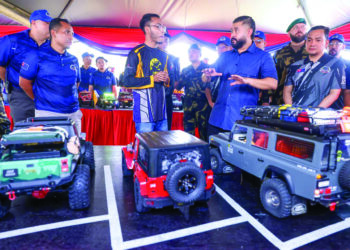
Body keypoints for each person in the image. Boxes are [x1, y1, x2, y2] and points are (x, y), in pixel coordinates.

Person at [202, 16, 277, 136]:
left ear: (249, 32)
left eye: (236, 30)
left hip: (241, 124)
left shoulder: (263, 57)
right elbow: (206, 78)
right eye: (231, 31)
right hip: (216, 120)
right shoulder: (225, 56)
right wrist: (207, 76)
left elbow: (272, 83)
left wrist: (247, 80)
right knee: (213, 154)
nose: (232, 34)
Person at [19, 18, 82, 133]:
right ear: (54, 33)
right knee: (49, 149)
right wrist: (41, 99)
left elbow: (76, 83)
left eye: (72, 33)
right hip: (47, 114)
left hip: (73, 114)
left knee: (75, 149)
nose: (71, 37)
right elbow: (24, 83)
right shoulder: (36, 55)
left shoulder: (73, 59)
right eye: (67, 32)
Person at [123, 13, 173, 133]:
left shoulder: (165, 55)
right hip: (144, 115)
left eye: (163, 27)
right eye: (158, 27)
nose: (162, 31)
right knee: (145, 151)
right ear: (147, 29)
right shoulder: (136, 53)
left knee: (161, 150)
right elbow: (127, 81)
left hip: (162, 114)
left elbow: (168, 83)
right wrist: (152, 79)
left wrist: (166, 79)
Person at [0, 9, 52, 122]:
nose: (50, 26)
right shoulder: (12, 41)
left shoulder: (52, 46)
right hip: (20, 95)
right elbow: (1, 66)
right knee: (23, 133)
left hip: (45, 96)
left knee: (47, 132)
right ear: (34, 23)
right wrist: (10, 82)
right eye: (46, 23)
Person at [283, 26, 345, 108]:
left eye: (318, 40)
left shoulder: (336, 63)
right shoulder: (295, 65)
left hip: (321, 117)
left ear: (326, 43)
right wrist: (292, 110)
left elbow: (334, 93)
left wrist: (314, 113)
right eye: (309, 40)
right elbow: (287, 91)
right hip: (296, 115)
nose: (312, 43)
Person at [177, 44, 211, 141]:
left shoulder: (207, 68)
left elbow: (212, 87)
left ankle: (205, 155)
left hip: (203, 106)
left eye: (194, 51)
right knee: (188, 133)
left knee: (204, 133)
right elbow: (178, 86)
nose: (191, 54)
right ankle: (190, 154)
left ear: (200, 54)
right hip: (189, 106)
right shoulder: (185, 70)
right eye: (189, 52)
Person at [272, 18, 308, 105]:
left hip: (307, 98)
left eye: (302, 27)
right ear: (289, 33)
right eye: (295, 28)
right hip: (281, 99)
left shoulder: (313, 51)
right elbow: (273, 75)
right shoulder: (279, 53)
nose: (299, 30)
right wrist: (267, 97)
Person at [158, 31, 180, 130]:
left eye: (167, 40)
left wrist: (169, 85)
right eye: (163, 39)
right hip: (153, 98)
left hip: (167, 98)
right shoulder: (150, 57)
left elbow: (176, 80)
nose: (165, 42)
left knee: (166, 128)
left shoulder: (173, 59)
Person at [205, 36, 233, 106]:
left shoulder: (236, 62)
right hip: (217, 103)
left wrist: (219, 74)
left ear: (231, 48)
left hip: (232, 103)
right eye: (218, 47)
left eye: (224, 47)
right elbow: (206, 85)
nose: (221, 50)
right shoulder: (215, 64)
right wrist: (211, 103)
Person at [327, 33, 350, 108]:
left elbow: (347, 91)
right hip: (316, 106)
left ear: (343, 47)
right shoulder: (320, 62)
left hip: (337, 108)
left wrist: (348, 110)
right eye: (331, 43)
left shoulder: (347, 65)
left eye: (337, 44)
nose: (333, 46)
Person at [254, 31, 270, 105]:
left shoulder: (269, 59)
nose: (255, 44)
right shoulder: (246, 59)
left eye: (259, 41)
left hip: (263, 101)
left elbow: (271, 81)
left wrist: (265, 100)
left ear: (265, 43)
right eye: (253, 42)